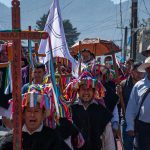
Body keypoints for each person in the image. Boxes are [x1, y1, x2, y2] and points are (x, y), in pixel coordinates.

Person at [0, 86, 71, 150]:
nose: (32, 114)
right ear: (23, 114)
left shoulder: (53, 138)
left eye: (36, 111)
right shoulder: (11, 137)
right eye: (29, 111)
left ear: (43, 115)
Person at [64, 71, 115, 150]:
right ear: (78, 91)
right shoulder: (70, 110)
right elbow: (67, 138)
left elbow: (108, 139)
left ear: (94, 91)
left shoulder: (102, 111)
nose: (86, 92)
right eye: (83, 89)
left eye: (89, 89)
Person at [116, 62, 144, 150]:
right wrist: (118, 94)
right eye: (137, 71)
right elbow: (117, 104)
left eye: (142, 71)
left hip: (142, 121)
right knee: (127, 147)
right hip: (126, 120)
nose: (140, 74)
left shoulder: (146, 85)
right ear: (131, 72)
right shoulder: (123, 84)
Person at [126, 56, 150, 150]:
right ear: (146, 70)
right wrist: (130, 126)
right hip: (142, 127)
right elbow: (131, 108)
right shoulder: (138, 86)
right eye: (148, 68)